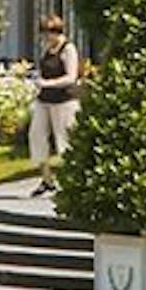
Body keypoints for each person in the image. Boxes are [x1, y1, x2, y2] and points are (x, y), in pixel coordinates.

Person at [28, 14, 83, 192]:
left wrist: (47, 83)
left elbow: (71, 77)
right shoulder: (47, 49)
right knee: (36, 135)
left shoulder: (68, 49)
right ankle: (46, 179)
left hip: (64, 100)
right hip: (44, 100)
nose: (45, 38)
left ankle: (73, 180)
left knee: (64, 139)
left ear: (56, 32)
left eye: (47, 34)